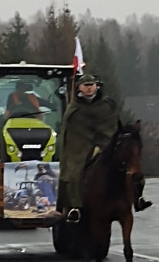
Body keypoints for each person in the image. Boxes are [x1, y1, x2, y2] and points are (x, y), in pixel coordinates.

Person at [58, 72, 152, 223]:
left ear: (96, 86)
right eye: (86, 86)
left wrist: (107, 142)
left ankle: (138, 198)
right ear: (79, 88)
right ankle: (74, 207)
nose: (89, 89)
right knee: (73, 171)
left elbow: (111, 125)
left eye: (91, 85)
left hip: (107, 142)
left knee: (131, 167)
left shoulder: (107, 105)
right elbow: (71, 133)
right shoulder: (74, 109)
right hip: (81, 146)